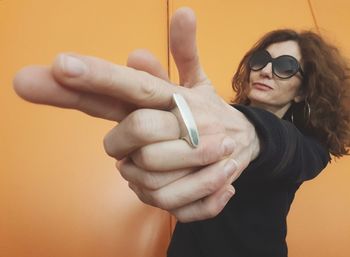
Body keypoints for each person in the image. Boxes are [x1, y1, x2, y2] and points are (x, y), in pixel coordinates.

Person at [13, 7, 349, 257]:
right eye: (261, 59)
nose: (266, 71)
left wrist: (250, 133)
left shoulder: (309, 147)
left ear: (303, 90)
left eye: (286, 66)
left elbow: (284, 149)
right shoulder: (211, 117)